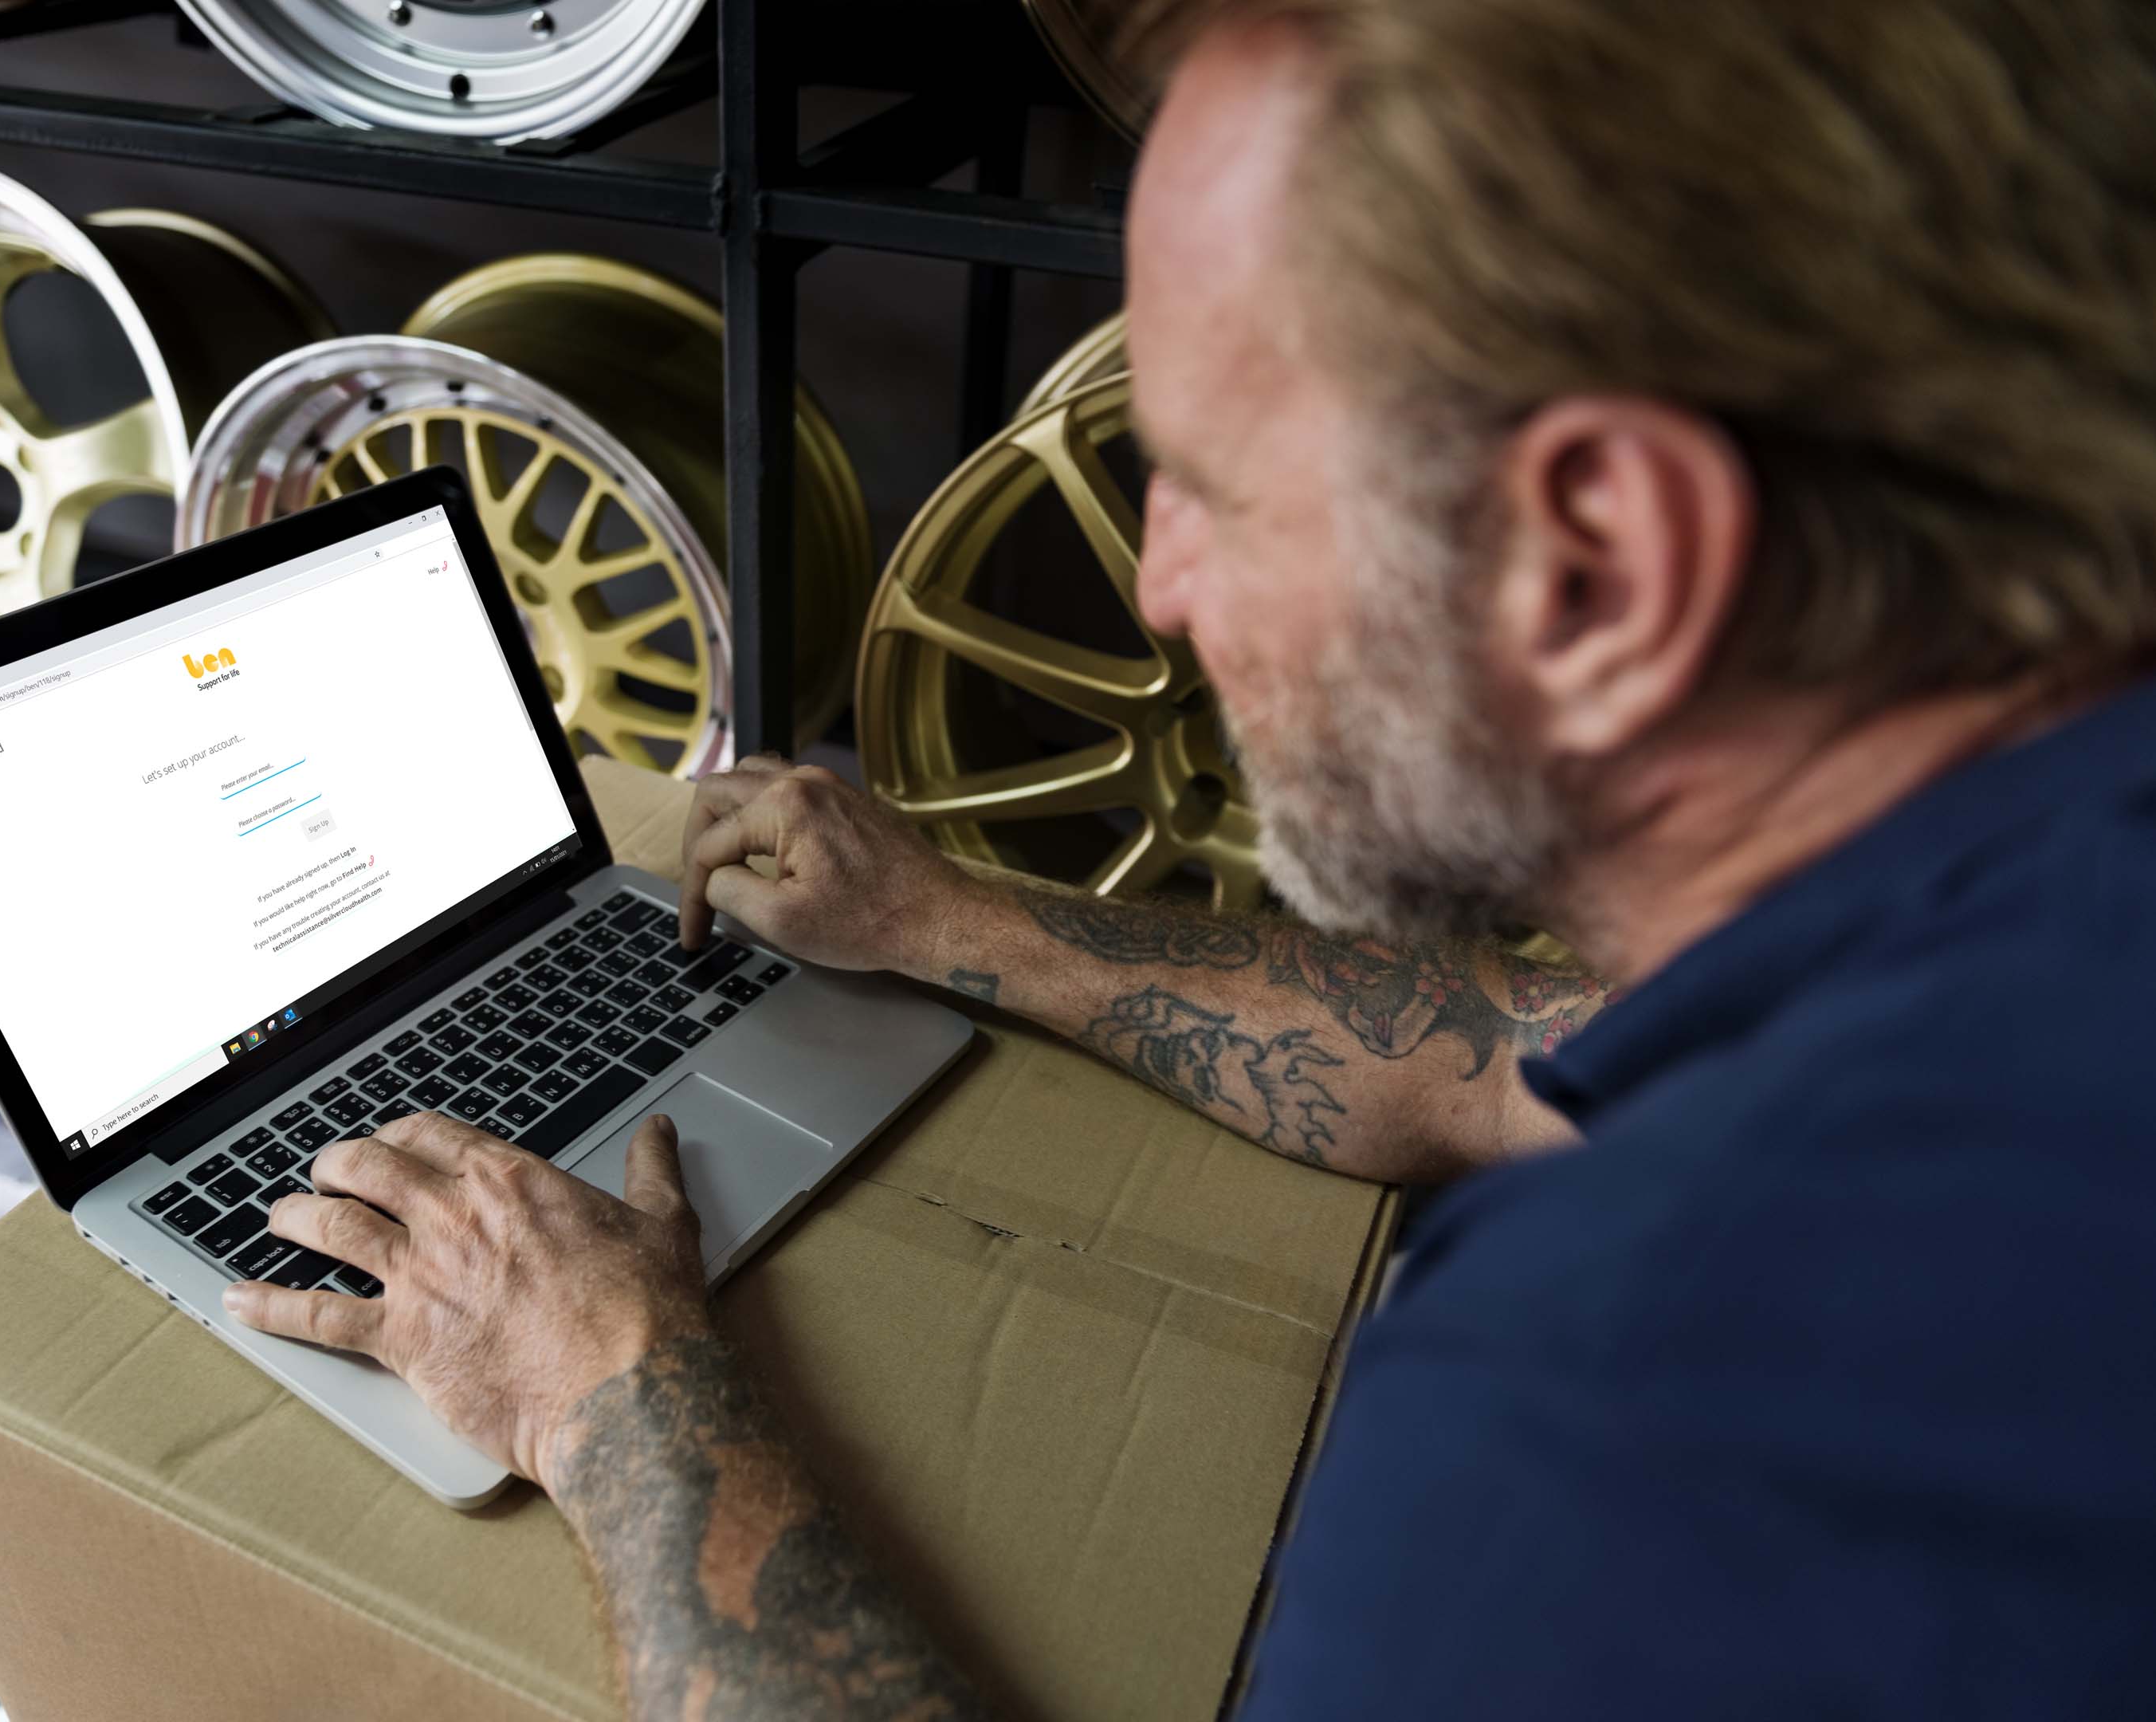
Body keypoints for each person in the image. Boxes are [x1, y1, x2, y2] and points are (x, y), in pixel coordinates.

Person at [225, 0, 2156, 1712]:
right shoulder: (2037, 913)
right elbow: (1510, 1055)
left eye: (1215, 494)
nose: (1155, 590)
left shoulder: (1638, 1438)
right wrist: (952, 918)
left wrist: (607, 1386)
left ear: (1601, 560)